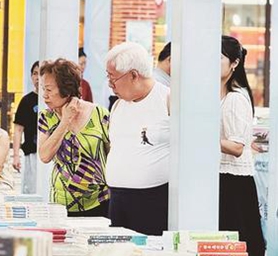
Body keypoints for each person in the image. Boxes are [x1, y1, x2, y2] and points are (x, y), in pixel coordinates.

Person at [104, 42, 170, 236]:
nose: (110, 84)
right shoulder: (118, 105)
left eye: (113, 77)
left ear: (134, 75)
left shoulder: (167, 99)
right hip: (117, 199)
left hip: (153, 200)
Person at [37, 59, 111, 216]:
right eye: (43, 89)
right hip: (61, 203)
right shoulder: (46, 117)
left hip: (100, 201)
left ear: (66, 88)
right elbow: (44, 156)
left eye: (49, 89)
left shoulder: (100, 114)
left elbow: (111, 155)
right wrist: (65, 121)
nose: (44, 95)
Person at [219, 35, 266, 256]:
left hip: (234, 183)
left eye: (219, 58)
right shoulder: (216, 96)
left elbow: (237, 147)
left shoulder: (236, 98)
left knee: (239, 249)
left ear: (234, 63)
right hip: (220, 178)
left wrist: (202, 140)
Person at [13, 61, 40, 194]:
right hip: (31, 153)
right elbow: (18, 129)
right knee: (31, 190)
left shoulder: (55, 100)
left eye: (41, 74)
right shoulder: (26, 101)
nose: (38, 77)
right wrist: (16, 156)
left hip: (51, 154)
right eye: (35, 73)